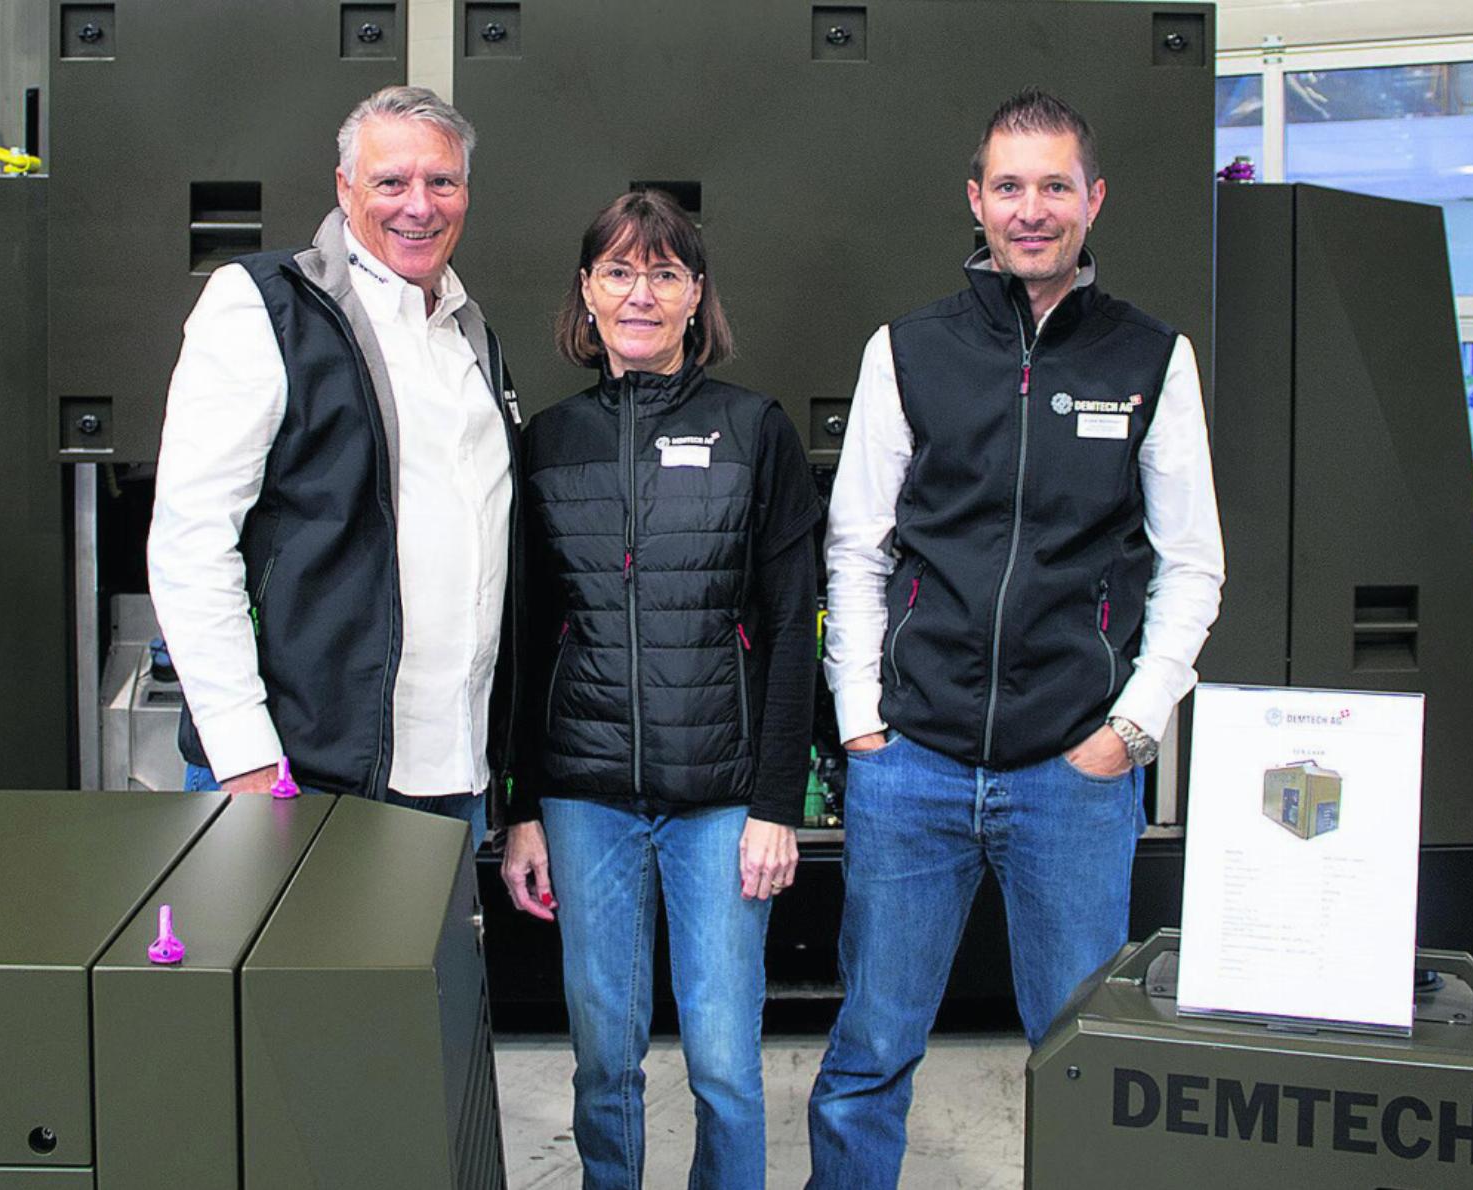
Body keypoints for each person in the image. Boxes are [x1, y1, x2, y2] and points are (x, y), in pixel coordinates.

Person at [808, 88, 1225, 1185]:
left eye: (1053, 185)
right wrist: (861, 724)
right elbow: (858, 549)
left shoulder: (1151, 359)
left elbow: (1192, 566)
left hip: (1071, 777)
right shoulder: (908, 350)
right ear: (976, 201)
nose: (1030, 208)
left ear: (1093, 199)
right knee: (868, 1051)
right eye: (1008, 185)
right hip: (915, 767)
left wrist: (1128, 732)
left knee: (1084, 1059)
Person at [500, 189, 820, 1190]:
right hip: (585, 797)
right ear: (586, 292)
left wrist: (777, 803)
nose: (641, 293)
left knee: (724, 1063)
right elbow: (520, 636)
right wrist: (522, 809)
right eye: (619, 271)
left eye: (666, 273)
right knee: (605, 1060)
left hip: (721, 802)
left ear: (696, 297)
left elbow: (792, 630)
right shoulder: (545, 443)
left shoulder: (753, 429)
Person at [148, 86, 519, 847]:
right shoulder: (264, 306)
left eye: (441, 182)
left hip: (451, 776)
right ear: (345, 188)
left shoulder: (469, 335)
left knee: (436, 973)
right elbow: (191, 541)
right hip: (298, 775)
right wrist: (243, 754)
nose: (418, 205)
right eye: (391, 182)